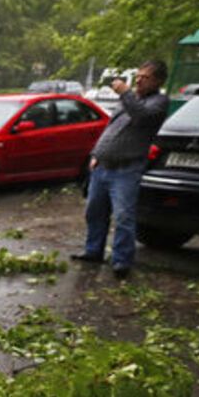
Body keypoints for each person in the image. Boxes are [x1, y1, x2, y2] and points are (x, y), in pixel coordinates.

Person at [72, 59, 170, 278]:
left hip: (126, 169)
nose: (139, 81)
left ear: (158, 81)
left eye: (145, 78)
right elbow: (111, 128)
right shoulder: (129, 100)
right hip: (102, 166)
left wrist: (126, 93)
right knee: (94, 212)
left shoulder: (158, 103)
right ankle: (93, 250)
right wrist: (96, 154)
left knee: (124, 215)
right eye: (138, 76)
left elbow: (141, 116)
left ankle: (121, 261)